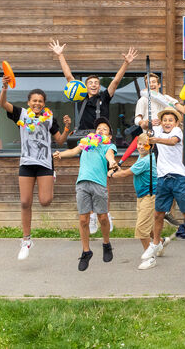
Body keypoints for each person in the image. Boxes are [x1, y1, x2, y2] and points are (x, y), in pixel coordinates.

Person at [49, 38, 138, 233]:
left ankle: (105, 213)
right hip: (86, 140)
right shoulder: (80, 96)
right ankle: (90, 217)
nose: (94, 85)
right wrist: (60, 55)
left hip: (103, 139)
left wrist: (126, 63)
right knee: (87, 175)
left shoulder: (105, 97)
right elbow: (69, 77)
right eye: (90, 83)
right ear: (85, 86)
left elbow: (115, 81)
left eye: (96, 83)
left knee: (104, 177)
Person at [0, 75, 71, 260]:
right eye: (34, 101)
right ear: (29, 102)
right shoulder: (21, 114)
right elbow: (3, 103)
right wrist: (5, 87)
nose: (37, 103)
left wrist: (67, 128)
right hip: (27, 163)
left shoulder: (50, 117)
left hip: (45, 164)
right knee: (25, 202)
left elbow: (59, 141)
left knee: (45, 201)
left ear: (44, 103)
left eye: (40, 101)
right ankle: (26, 240)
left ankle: (52, 178)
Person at [53, 118, 118, 271]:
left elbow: (110, 155)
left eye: (105, 129)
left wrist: (112, 162)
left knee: (103, 217)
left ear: (109, 136)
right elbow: (73, 151)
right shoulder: (86, 143)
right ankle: (86, 251)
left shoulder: (108, 146)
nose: (100, 130)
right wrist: (61, 154)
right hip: (82, 183)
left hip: (99, 184)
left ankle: (106, 244)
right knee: (83, 219)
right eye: (99, 128)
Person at [144, 107, 185, 268]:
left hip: (178, 178)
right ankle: (156, 244)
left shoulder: (177, 132)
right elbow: (144, 126)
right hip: (162, 179)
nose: (167, 123)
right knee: (158, 214)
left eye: (170, 120)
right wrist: (147, 123)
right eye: (164, 120)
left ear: (176, 123)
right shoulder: (157, 130)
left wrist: (155, 139)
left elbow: (172, 142)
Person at [107, 133, 167, 270]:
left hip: (149, 197)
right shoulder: (143, 157)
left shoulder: (146, 160)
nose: (140, 147)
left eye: (144, 145)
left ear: (151, 147)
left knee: (141, 229)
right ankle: (160, 242)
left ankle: (150, 259)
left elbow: (125, 174)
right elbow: (127, 171)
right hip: (142, 196)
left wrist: (111, 174)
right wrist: (118, 169)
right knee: (148, 228)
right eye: (139, 144)